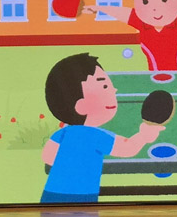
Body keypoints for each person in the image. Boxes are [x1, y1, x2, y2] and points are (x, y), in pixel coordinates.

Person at [40, 53, 164, 203]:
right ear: (81, 106)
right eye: (105, 86)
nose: (114, 90)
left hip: (51, 194)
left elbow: (48, 157)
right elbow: (127, 148)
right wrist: (143, 136)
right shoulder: (95, 136)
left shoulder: (62, 133)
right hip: (82, 197)